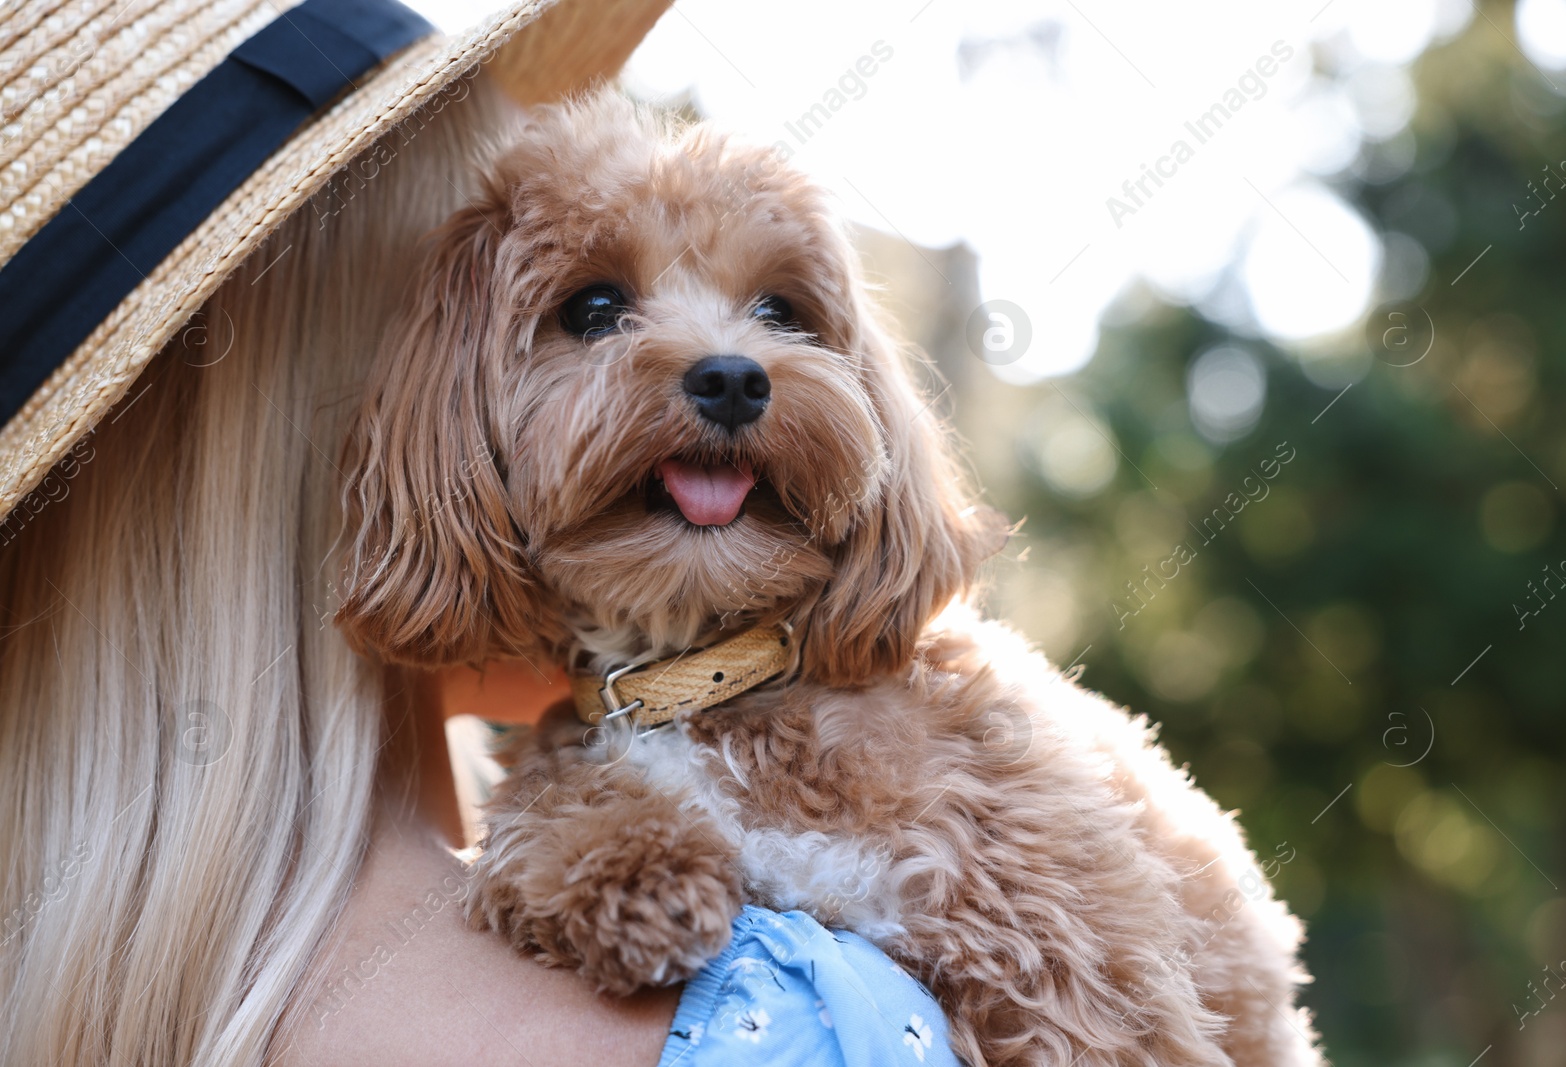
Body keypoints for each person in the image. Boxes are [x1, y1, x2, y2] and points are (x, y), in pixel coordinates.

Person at [0, 2, 959, 1063]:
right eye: (589, 313)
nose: (724, 362)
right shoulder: (804, 1020)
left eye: (775, 312)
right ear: (409, 414)